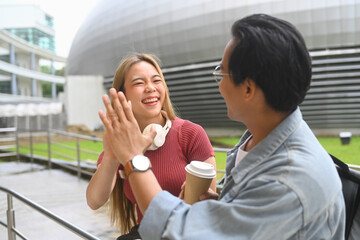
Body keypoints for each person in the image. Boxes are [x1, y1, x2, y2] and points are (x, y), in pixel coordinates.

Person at [98, 14, 345, 239]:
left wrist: (133, 158)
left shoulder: (287, 182)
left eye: (222, 73)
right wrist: (226, 206)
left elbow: (179, 233)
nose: (219, 85)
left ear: (248, 89)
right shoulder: (260, 143)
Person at [86, 53, 216, 239]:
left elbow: (205, 205)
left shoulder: (191, 133)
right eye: (139, 83)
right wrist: (112, 157)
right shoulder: (123, 142)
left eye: (156, 80)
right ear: (123, 95)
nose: (150, 88)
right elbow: (94, 201)